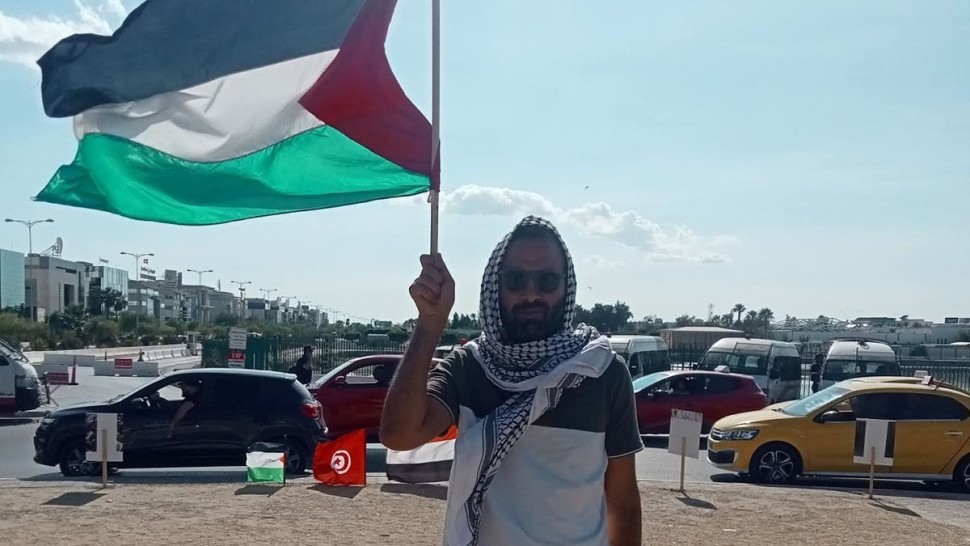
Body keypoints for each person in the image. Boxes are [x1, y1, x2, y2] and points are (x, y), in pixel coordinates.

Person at [381, 216, 643, 546]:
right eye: (516, 280)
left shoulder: (601, 370)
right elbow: (399, 435)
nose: (531, 294)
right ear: (497, 286)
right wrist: (430, 324)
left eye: (547, 281)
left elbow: (623, 500)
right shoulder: (470, 367)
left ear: (566, 287)